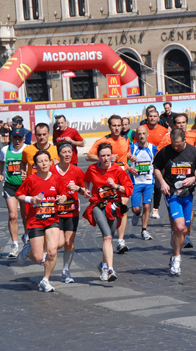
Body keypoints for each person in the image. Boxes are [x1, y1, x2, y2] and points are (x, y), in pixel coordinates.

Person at [154, 128, 196, 276]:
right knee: (179, 226)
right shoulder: (165, 151)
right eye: (173, 144)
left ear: (184, 140)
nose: (175, 148)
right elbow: (156, 168)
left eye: (178, 145)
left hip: (187, 194)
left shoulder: (193, 152)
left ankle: (175, 252)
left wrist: (195, 179)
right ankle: (177, 258)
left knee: (184, 230)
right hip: (172, 193)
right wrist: (162, 182)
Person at [15, 150, 67, 292]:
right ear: (36, 165)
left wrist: (62, 198)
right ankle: (27, 251)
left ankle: (45, 280)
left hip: (52, 219)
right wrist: (31, 199)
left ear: (50, 161)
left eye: (46, 161)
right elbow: (19, 195)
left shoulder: (56, 178)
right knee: (38, 257)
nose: (44, 164)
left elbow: (63, 193)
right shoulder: (31, 179)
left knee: (52, 251)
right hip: (36, 221)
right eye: (40, 161)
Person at [83, 143, 133, 282]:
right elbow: (86, 179)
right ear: (98, 157)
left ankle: (104, 265)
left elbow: (129, 189)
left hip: (114, 207)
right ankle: (111, 269)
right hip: (97, 205)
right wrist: (87, 190)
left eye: (108, 155)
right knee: (107, 236)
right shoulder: (92, 169)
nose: (106, 158)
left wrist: (116, 186)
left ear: (112, 155)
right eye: (102, 156)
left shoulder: (118, 170)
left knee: (109, 238)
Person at [86, 115, 131, 254]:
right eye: (114, 126)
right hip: (106, 181)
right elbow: (88, 156)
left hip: (121, 179)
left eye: (119, 125)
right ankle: (109, 237)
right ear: (109, 126)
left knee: (122, 208)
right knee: (111, 210)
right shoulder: (103, 141)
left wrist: (130, 165)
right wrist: (106, 158)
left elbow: (125, 157)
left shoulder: (125, 140)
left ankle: (121, 240)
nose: (117, 128)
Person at [51, 141, 88, 283]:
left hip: (72, 212)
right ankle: (39, 247)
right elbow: (45, 189)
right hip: (55, 212)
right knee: (59, 243)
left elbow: (85, 191)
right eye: (64, 152)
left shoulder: (77, 171)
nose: (67, 154)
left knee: (69, 242)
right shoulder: (52, 171)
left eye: (69, 152)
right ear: (59, 154)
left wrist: (78, 189)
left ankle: (66, 271)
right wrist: (57, 197)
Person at [0, 128, 28, 258]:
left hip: (25, 187)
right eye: (15, 138)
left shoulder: (28, 149)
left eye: (20, 138)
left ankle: (26, 237)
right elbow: (0, 161)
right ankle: (15, 245)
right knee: (13, 215)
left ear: (24, 138)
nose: (17, 140)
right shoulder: (5, 150)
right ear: (11, 139)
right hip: (10, 187)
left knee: (25, 215)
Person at [127, 126, 157, 241]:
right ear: (136, 135)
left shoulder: (153, 148)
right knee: (136, 208)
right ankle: (136, 214)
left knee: (147, 205)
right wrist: (130, 168)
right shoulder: (131, 148)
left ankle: (144, 230)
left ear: (147, 134)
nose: (141, 136)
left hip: (149, 182)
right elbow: (123, 162)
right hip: (136, 182)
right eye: (139, 134)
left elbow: (158, 163)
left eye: (144, 133)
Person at [145, 109, 169, 220]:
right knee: (145, 186)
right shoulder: (143, 129)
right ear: (147, 117)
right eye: (150, 116)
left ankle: (155, 208)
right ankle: (141, 209)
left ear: (158, 118)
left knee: (158, 186)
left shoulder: (164, 131)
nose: (152, 118)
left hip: (160, 162)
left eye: (155, 116)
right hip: (145, 162)